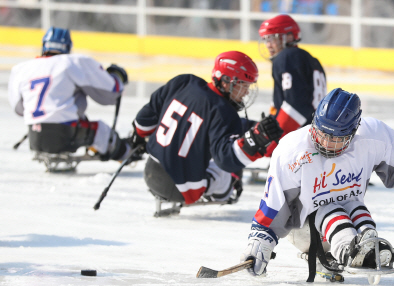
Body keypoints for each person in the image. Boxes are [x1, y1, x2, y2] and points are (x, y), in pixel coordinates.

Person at [239, 88, 394, 276]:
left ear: (354, 131)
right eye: (322, 134)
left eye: (336, 139)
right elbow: (275, 203)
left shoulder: (373, 136)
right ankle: (348, 250)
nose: (326, 143)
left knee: (353, 203)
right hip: (303, 229)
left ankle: (368, 241)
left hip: (351, 215)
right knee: (330, 206)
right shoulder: (292, 151)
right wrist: (261, 240)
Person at [131, 51, 283, 205]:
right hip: (183, 188)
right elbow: (227, 160)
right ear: (226, 81)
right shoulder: (225, 112)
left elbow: (144, 120)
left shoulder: (184, 82)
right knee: (227, 177)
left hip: (150, 172)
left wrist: (138, 137)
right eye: (243, 85)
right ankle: (221, 191)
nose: (246, 92)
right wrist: (255, 141)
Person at [8, 27, 132, 161]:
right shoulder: (72, 62)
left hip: (35, 135)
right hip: (66, 133)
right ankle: (127, 153)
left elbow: (19, 109)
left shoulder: (21, 69)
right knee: (102, 131)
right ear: (67, 47)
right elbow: (111, 92)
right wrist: (117, 76)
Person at [258, 14, 326, 147]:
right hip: (316, 134)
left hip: (297, 138)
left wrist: (276, 140)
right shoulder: (313, 61)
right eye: (266, 40)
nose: (268, 45)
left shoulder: (287, 57)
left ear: (289, 36)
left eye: (272, 38)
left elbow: (295, 105)